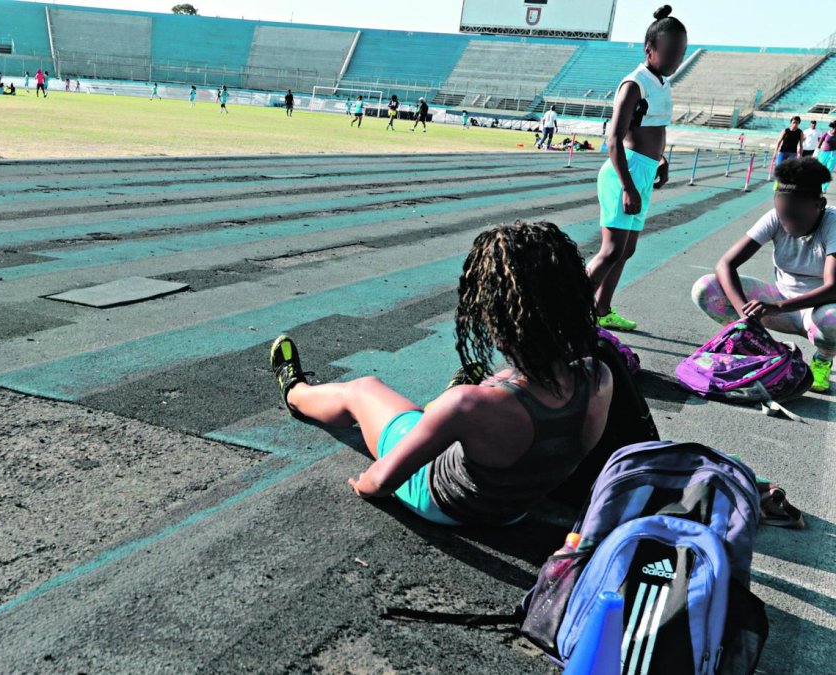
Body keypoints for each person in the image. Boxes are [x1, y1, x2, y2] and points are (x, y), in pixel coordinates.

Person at [269, 220, 613, 526]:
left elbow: (383, 481)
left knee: (362, 390)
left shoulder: (470, 405)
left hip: (442, 503)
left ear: (498, 318)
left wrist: (364, 484)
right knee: (470, 401)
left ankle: (295, 393)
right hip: (514, 511)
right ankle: (437, 419)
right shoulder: (598, 377)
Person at [692, 157, 836, 392]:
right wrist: (744, 316)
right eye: (783, 216)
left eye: (796, 217)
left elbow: (833, 288)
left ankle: (823, 358)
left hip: (818, 311)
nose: (788, 224)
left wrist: (778, 306)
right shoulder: (775, 218)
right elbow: (725, 264)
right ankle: (761, 347)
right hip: (780, 302)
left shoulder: (833, 223)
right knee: (706, 289)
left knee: (833, 321)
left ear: (819, 204)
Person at [585, 5, 687, 333]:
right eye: (670, 52)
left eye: (681, 53)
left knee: (626, 250)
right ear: (649, 50)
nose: (675, 60)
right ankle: (569, 314)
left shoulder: (661, 82)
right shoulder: (634, 84)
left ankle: (602, 309)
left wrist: (662, 160)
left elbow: (655, 126)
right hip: (623, 172)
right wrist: (628, 186)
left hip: (642, 171)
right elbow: (613, 139)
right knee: (611, 249)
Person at [817, 122, 836, 193]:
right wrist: (817, 151)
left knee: (829, 171)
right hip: (824, 153)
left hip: (834, 154)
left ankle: (823, 188)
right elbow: (820, 143)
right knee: (819, 169)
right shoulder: (826, 133)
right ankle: (816, 185)